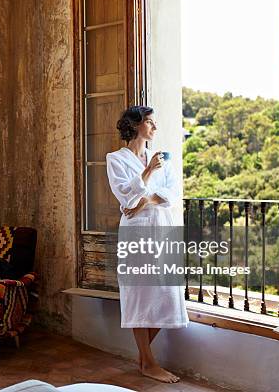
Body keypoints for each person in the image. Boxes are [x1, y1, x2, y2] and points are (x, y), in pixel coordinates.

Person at [106, 105, 188, 384]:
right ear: (135, 125)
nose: (154, 127)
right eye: (150, 122)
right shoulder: (115, 158)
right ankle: (148, 362)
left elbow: (173, 193)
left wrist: (147, 201)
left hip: (163, 228)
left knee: (166, 292)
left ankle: (144, 358)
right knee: (139, 294)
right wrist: (147, 173)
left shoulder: (162, 156)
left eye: (154, 123)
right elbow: (124, 196)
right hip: (137, 233)